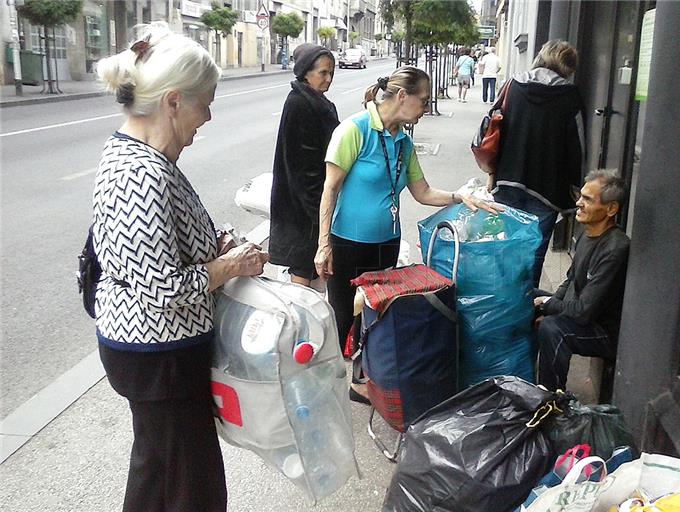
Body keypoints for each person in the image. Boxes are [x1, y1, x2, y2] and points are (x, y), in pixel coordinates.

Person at [93, 22, 269, 511]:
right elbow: (165, 288)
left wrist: (214, 246)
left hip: (158, 354)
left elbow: (163, 246)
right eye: (205, 102)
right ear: (173, 101)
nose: (208, 116)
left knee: (161, 473)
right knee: (190, 484)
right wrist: (229, 266)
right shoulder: (139, 172)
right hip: (158, 356)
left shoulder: (146, 158)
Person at [314, 66, 498, 403]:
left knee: (376, 314)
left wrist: (461, 197)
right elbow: (330, 189)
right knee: (343, 315)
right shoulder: (354, 130)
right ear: (402, 96)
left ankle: (362, 378)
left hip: (386, 243)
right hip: (348, 243)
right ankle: (323, 389)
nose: (426, 108)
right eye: (423, 100)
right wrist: (323, 244)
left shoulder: (403, 142)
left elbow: (422, 191)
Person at [491, 39, 585, 287]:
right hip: (549, 186)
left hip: (508, 178)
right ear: (567, 66)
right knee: (535, 249)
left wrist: (493, 170)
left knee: (505, 243)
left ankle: (501, 298)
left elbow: (494, 126)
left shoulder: (513, 85)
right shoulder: (570, 95)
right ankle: (524, 305)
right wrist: (576, 185)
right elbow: (577, 146)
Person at [534, 169, 629, 392]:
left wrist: (547, 307)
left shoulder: (616, 248)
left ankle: (552, 401)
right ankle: (522, 374)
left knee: (552, 329)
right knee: (525, 296)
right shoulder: (587, 234)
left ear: (611, 209)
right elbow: (569, 281)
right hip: (583, 314)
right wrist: (547, 304)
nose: (578, 203)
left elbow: (584, 311)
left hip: (604, 331)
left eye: (587, 199)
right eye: (580, 196)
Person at [269, 43, 339, 287]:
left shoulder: (318, 101)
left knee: (310, 268)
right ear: (305, 72)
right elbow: (304, 172)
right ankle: (298, 323)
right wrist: (322, 218)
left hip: (312, 204)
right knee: (303, 269)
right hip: (303, 209)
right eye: (323, 73)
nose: (329, 78)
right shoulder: (300, 104)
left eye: (332, 72)